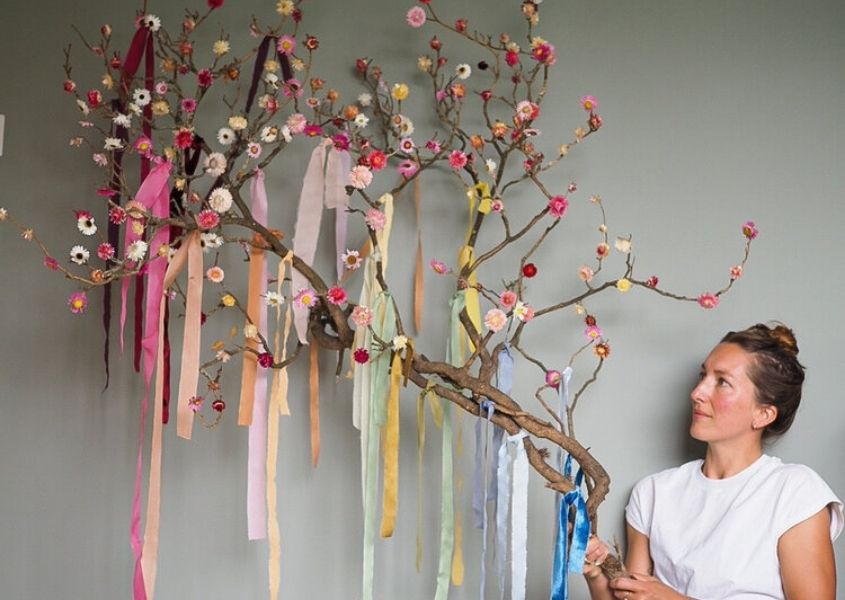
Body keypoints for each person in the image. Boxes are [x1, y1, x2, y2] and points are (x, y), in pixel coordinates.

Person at [581, 323, 843, 599]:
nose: (697, 393)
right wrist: (596, 574)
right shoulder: (653, 493)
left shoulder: (795, 492)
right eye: (703, 376)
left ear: (763, 414)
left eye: (722, 382)